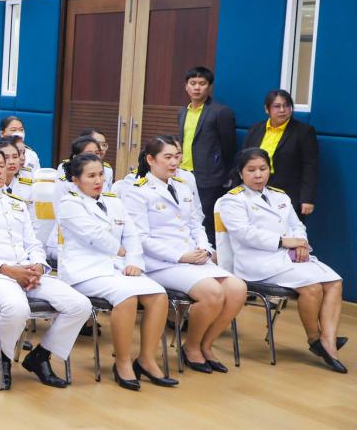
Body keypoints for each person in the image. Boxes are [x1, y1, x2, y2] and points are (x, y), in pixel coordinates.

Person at [0, 145, 90, 390]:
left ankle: (41, 356)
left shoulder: (17, 203)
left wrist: (38, 267)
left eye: (1, 166)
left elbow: (33, 243)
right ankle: (3, 358)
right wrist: (7, 270)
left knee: (80, 305)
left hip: (27, 273)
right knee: (17, 308)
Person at [120, 136, 247, 374]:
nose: (174, 162)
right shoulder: (137, 191)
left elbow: (196, 224)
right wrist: (180, 256)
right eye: (167, 157)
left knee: (238, 289)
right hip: (161, 263)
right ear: (151, 159)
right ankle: (192, 347)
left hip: (193, 258)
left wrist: (205, 249)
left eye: (177, 157)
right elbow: (140, 238)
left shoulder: (182, 186)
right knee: (213, 293)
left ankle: (205, 345)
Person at [218, 148, 345, 373]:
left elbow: (297, 225)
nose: (258, 175)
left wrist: (301, 243)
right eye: (251, 170)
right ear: (240, 173)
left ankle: (328, 340)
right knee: (312, 288)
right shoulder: (232, 200)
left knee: (335, 282)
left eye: (263, 169)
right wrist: (284, 241)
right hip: (257, 263)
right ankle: (314, 339)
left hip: (288, 257)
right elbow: (244, 234)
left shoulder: (280, 196)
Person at [56, 153, 175, 390]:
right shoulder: (69, 203)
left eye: (101, 174)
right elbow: (94, 236)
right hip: (85, 272)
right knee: (126, 298)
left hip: (118, 269)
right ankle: (122, 363)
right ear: (76, 180)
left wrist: (134, 261)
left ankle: (146, 360)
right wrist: (120, 251)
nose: (98, 180)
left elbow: (131, 234)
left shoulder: (114, 201)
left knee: (159, 296)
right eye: (91, 176)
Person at [178, 66, 236, 241]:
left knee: (206, 220)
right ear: (186, 86)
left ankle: (209, 252)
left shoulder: (221, 112)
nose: (197, 87)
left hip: (209, 176)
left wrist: (223, 173)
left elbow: (229, 147)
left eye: (202, 83)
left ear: (209, 87)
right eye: (193, 83)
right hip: (183, 173)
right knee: (183, 215)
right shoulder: (182, 112)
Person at [241, 89, 319, 217]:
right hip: (255, 190)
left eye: (286, 105)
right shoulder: (256, 129)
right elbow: (242, 159)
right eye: (277, 106)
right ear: (267, 109)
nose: (282, 110)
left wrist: (307, 198)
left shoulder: (304, 132)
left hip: (287, 193)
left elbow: (310, 167)